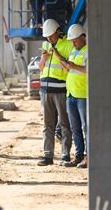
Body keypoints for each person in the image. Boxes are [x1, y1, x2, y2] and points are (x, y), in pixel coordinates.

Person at [37, 19, 74, 166]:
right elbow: (41, 68)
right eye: (46, 36)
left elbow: (67, 67)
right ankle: (48, 155)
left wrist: (56, 53)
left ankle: (65, 155)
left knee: (64, 124)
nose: (49, 39)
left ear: (58, 32)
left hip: (60, 90)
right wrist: (44, 57)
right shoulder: (45, 45)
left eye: (51, 36)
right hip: (45, 90)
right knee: (48, 124)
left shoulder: (67, 45)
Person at [59, 24, 88, 168]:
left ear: (83, 37)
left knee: (86, 127)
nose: (73, 43)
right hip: (70, 94)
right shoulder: (74, 52)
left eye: (75, 40)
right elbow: (71, 71)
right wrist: (64, 64)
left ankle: (88, 157)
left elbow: (89, 69)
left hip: (82, 95)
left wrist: (72, 66)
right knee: (75, 127)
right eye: (71, 41)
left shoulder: (88, 51)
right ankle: (78, 156)